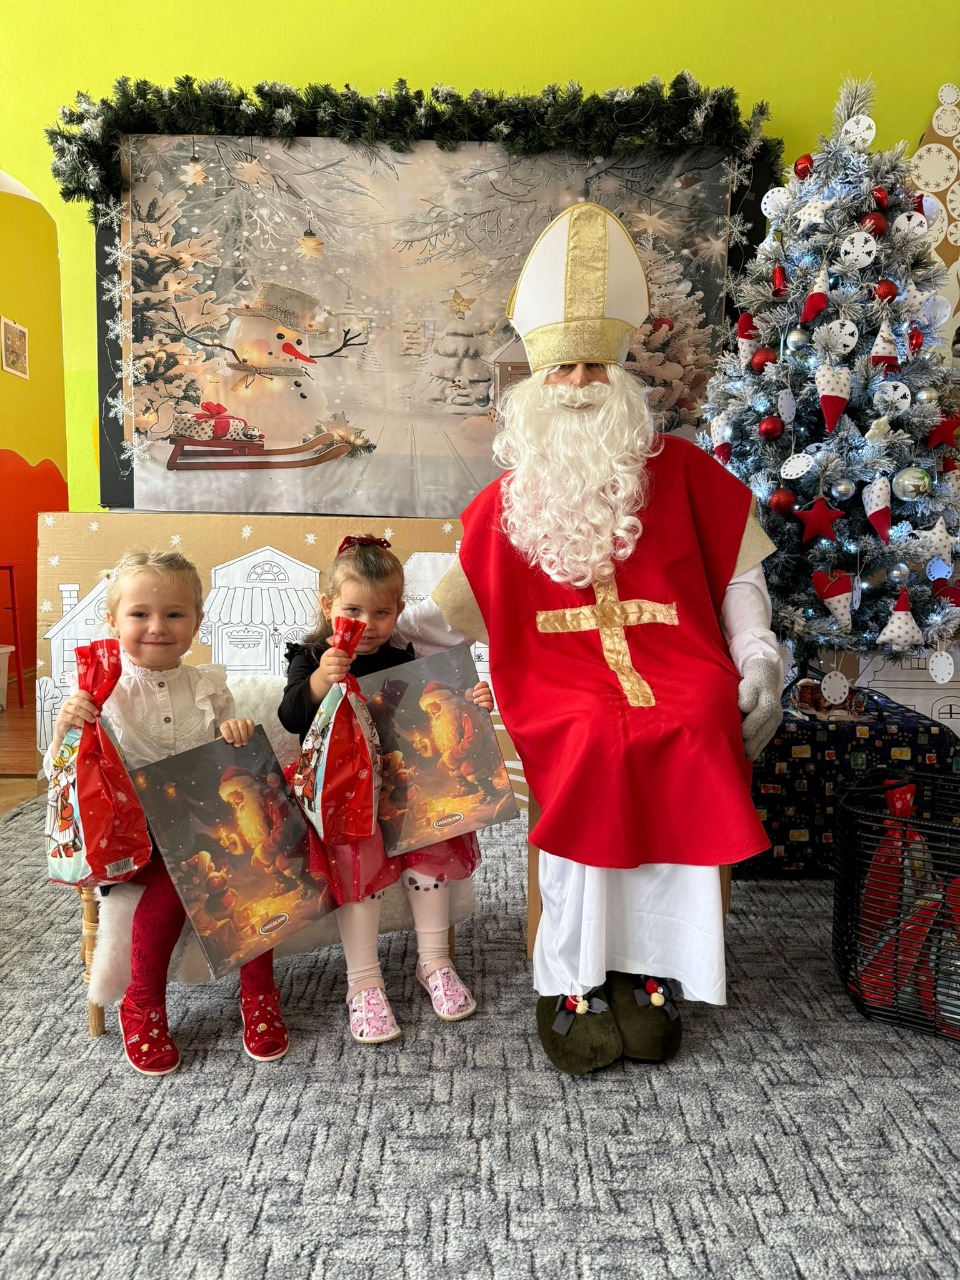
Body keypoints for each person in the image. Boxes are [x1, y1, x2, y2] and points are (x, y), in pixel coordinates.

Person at [395, 202, 784, 1075]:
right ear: (535, 384)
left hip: (676, 668)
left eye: (593, 365)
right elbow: (447, 612)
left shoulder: (685, 474)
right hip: (560, 681)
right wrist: (372, 636)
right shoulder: (505, 504)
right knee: (590, 736)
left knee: (692, 718)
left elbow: (739, 577)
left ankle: (651, 971)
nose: (577, 382)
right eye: (562, 366)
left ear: (621, 373)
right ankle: (571, 981)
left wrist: (758, 657)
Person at [46, 550, 289, 1076]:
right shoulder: (99, 691)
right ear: (112, 621)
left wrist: (233, 732)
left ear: (196, 623)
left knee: (253, 873)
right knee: (174, 885)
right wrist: (68, 726)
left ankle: (259, 993)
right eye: (140, 614)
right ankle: (143, 1001)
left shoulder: (207, 686)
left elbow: (224, 757)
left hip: (200, 819)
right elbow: (62, 773)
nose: (157, 626)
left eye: (174, 614)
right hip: (134, 835)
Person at [279, 534, 493, 1044]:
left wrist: (469, 700)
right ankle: (363, 982)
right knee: (357, 858)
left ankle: (434, 960)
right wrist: (321, 679)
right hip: (339, 792)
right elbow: (291, 717)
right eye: (353, 610)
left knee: (431, 841)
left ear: (398, 611)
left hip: (400, 784)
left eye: (381, 612)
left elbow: (422, 717)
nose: (368, 624)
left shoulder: (403, 655)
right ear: (328, 606)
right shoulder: (311, 655)